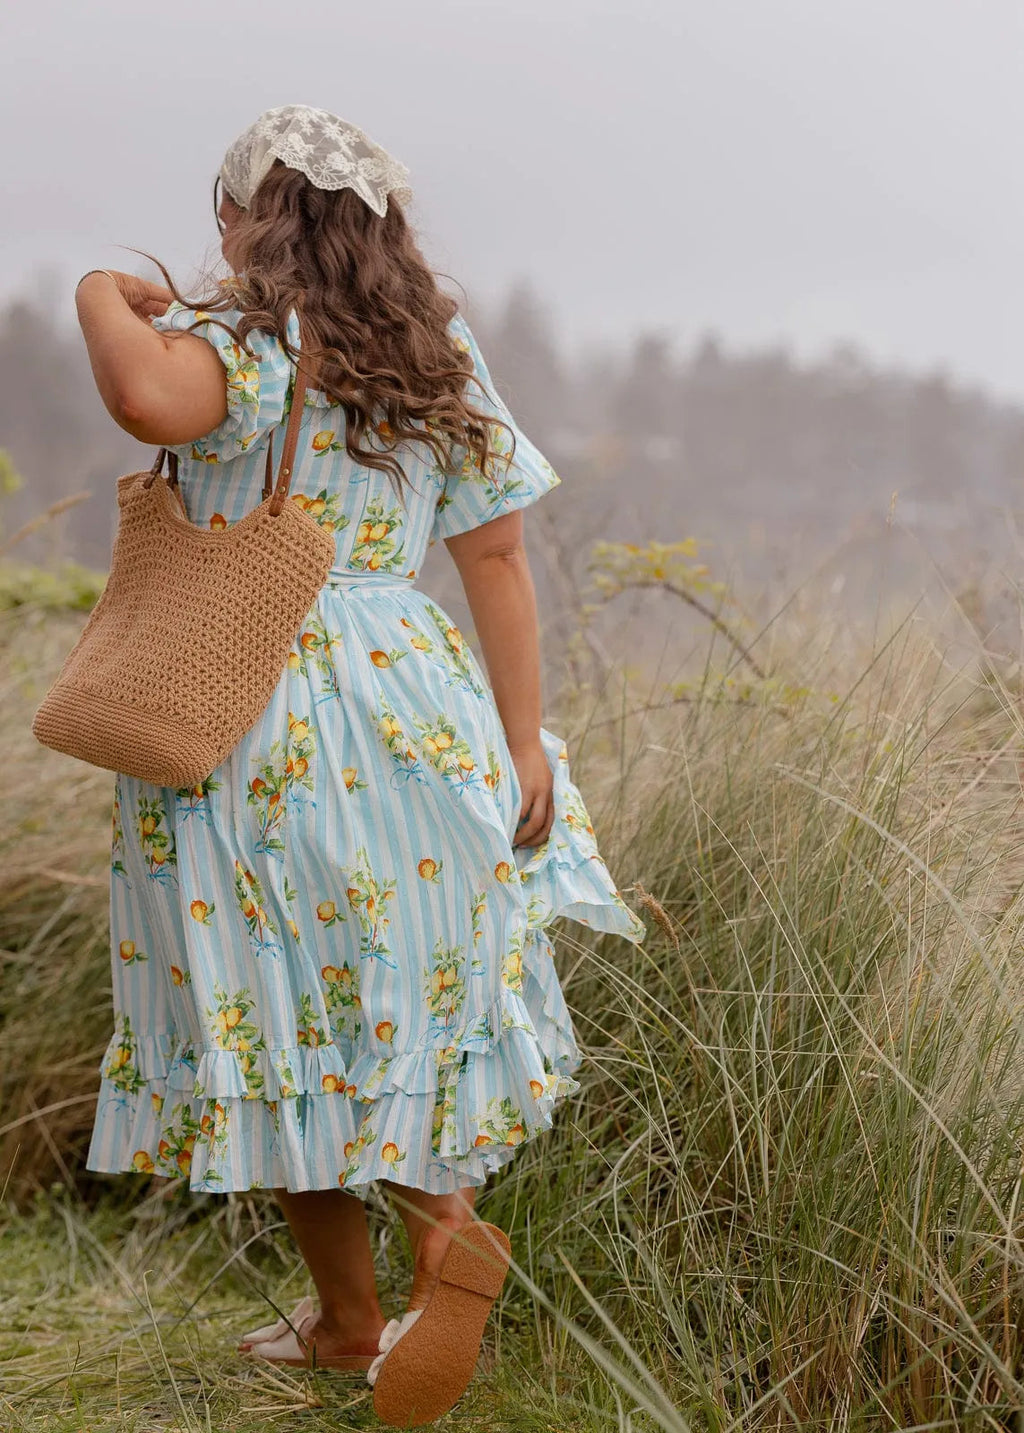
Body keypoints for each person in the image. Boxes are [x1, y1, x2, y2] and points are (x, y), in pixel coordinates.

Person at [76, 105, 646, 1427]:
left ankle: (374, 1295)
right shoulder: (437, 356)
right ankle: (410, 1269)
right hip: (417, 706)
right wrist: (518, 740)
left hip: (248, 706)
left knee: (274, 1013)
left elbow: (135, 395)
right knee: (391, 1000)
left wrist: (100, 287)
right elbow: (495, 556)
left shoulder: (236, 346)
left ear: (243, 219)